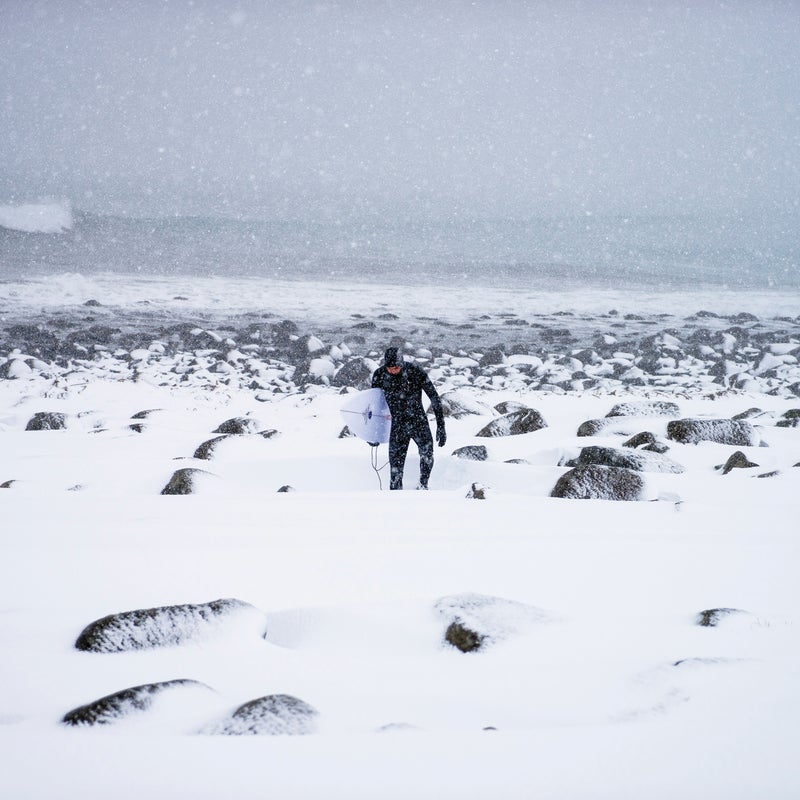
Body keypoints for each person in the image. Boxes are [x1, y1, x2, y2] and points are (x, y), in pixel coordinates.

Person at [371, 346, 446, 490]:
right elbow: (374, 406)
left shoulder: (415, 372)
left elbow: (434, 398)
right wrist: (373, 434)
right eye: (389, 368)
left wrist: (441, 426)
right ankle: (395, 497)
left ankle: (423, 485)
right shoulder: (379, 375)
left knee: (427, 455)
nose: (392, 370)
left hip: (418, 421)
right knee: (395, 471)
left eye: (396, 367)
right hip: (397, 425)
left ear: (402, 363)